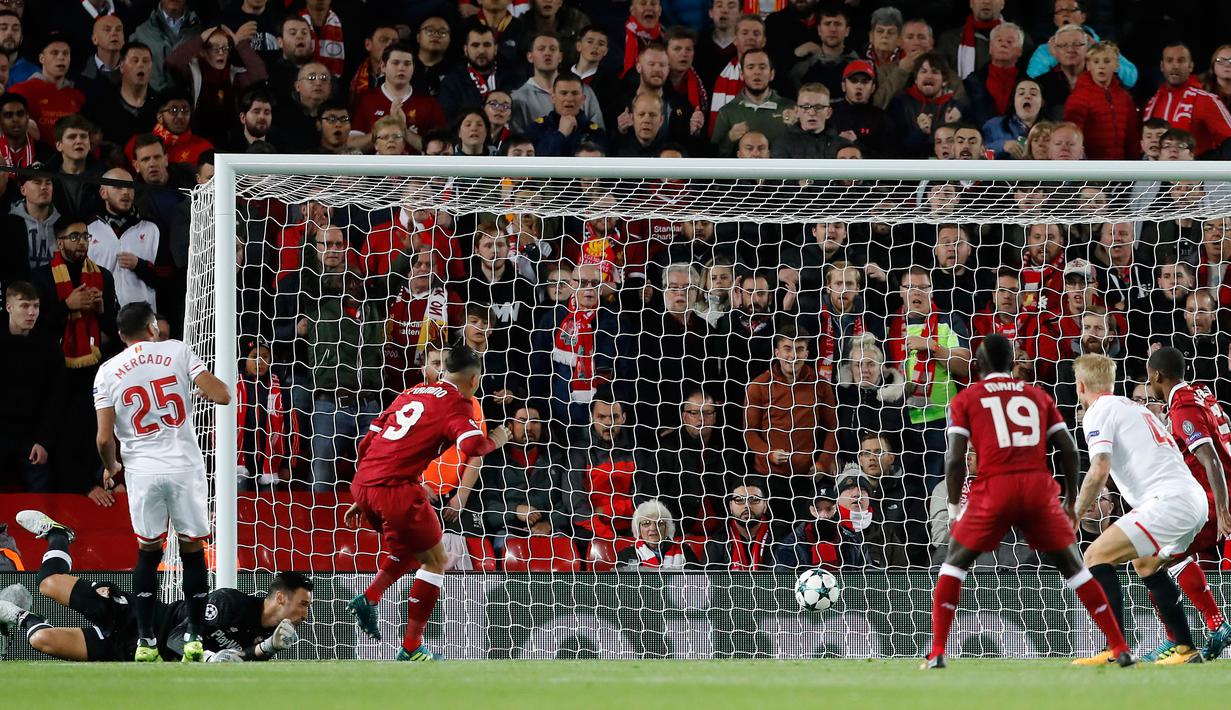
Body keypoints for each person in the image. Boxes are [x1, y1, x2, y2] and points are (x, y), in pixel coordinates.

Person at [922, 334, 1130, 670]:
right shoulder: (1037, 396)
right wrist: (1069, 499)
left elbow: (955, 459)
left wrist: (956, 510)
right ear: (1011, 364)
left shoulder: (968, 398)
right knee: (1075, 569)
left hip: (994, 488)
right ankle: (1120, 646)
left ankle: (936, 653)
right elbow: (1067, 449)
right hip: (1037, 488)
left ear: (979, 365)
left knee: (953, 563)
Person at [343, 344, 512, 661]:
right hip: (396, 488)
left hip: (365, 482)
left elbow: (368, 440)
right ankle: (411, 647)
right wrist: (497, 440)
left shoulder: (412, 392)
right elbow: (474, 446)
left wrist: (363, 493)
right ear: (474, 380)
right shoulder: (458, 404)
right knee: (436, 559)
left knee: (410, 550)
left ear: (443, 370)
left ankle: (370, 597)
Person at [92, 301, 231, 662]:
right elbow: (223, 394)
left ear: (121, 335)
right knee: (192, 550)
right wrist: (193, 390)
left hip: (142, 473)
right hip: (183, 467)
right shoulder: (177, 351)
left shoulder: (107, 371)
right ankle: (195, 638)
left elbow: (104, 440)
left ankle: (145, 641)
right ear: (154, 328)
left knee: (147, 552)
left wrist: (112, 467)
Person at [2, 512, 308, 662]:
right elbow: (178, 638)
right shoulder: (230, 603)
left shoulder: (274, 633)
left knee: (42, 639)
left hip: (128, 653)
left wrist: (268, 648)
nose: (306, 613)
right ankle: (58, 534)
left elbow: (243, 660)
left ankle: (16, 616)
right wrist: (209, 658)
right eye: (303, 604)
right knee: (48, 584)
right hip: (135, 619)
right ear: (280, 597)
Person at [1071, 352, 1211, 666]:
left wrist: (1075, 513)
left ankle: (1115, 648)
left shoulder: (1097, 411)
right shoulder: (1132, 407)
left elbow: (1098, 469)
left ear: (1081, 386)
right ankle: (1186, 649)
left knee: (1095, 555)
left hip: (1170, 501)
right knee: (1146, 564)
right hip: (1192, 500)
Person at [1144, 347, 1231, 660]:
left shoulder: (1182, 407)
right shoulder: (1200, 393)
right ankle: (1212, 624)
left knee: (1152, 558)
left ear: (1157, 375)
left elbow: (1210, 459)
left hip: (1211, 500)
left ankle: (1180, 639)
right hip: (1207, 496)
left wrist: (1222, 510)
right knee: (1165, 555)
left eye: (1149, 376)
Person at [0, 281, 63, 493]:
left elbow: (56, 396)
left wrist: (44, 440)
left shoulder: (48, 345)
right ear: (9, 307)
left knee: (40, 501)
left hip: (32, 437)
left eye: (35, 306)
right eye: (25, 306)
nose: (31, 312)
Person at [1143, 42, 1231, 158]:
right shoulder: (1152, 103)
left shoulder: (1207, 100)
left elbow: (1229, 140)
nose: (1175, 66)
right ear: (1162, 66)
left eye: (1181, 60)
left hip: (1196, 174)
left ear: (1190, 66)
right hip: (1158, 174)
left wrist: (1204, 168)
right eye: (1169, 60)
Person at [1063, 42, 1138, 161]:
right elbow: (1072, 137)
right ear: (1088, 65)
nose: (1101, 66)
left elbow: (1132, 136)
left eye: (1107, 61)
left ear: (1116, 65)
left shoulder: (1124, 97)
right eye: (1096, 61)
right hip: (1090, 169)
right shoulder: (1079, 97)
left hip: (1121, 168)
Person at [615, 499, 699, 570]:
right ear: (638, 529)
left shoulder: (684, 551)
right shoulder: (627, 555)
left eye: (659, 523)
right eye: (646, 523)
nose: (653, 528)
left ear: (667, 528)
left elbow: (699, 583)